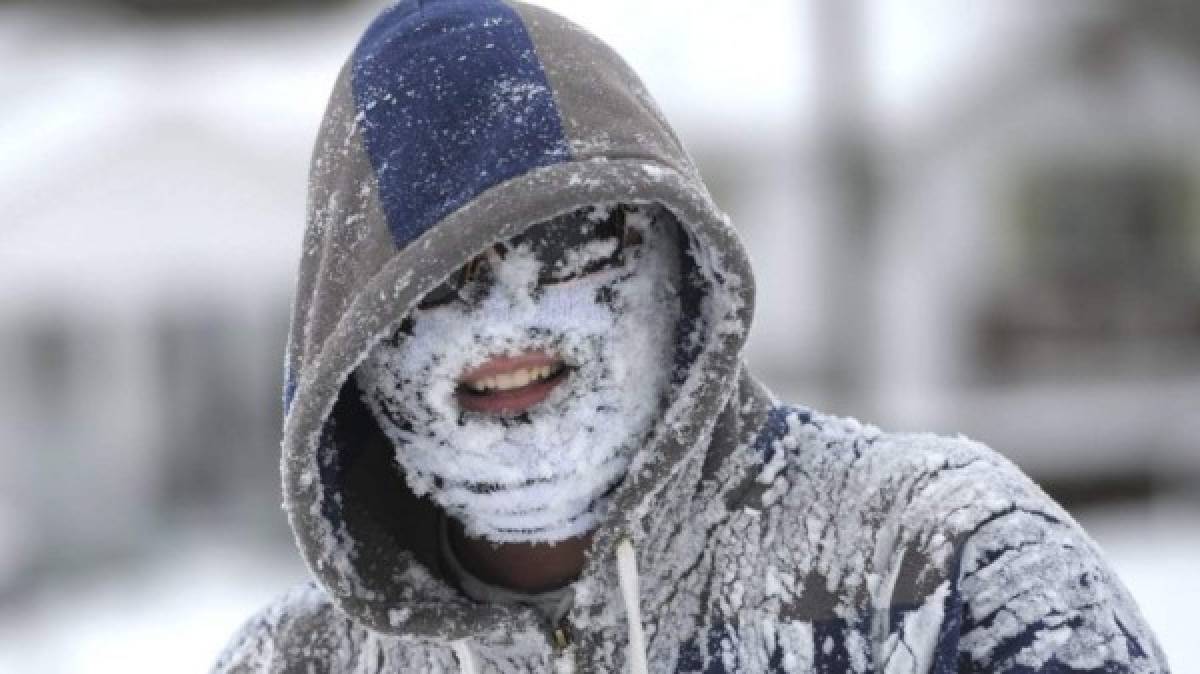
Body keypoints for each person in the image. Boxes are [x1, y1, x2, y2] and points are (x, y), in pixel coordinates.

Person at [213, 1, 1168, 672]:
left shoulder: (941, 573)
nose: (506, 308)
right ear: (351, 333)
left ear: (678, 258)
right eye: (429, 272)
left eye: (568, 238)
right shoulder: (294, 665)